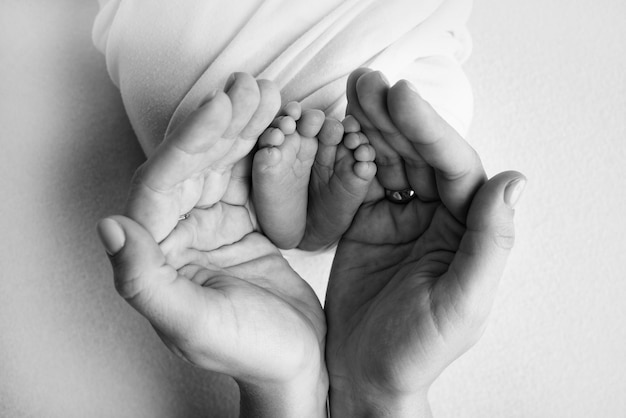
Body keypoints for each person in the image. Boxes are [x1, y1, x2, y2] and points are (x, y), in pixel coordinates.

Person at [97, 68, 525, 416]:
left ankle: (312, 215)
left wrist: (294, 385)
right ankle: (312, 218)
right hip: (391, 174)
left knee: (420, 92)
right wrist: (363, 393)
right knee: (184, 83)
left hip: (380, 155)